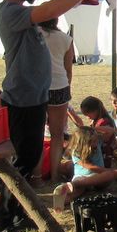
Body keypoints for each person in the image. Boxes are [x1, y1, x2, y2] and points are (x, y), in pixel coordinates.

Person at [0, 0, 110, 232]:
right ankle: (3, 227)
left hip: (34, 99)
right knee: (20, 164)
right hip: (21, 101)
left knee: (28, 158)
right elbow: (49, 10)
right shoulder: (9, 12)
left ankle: (17, 215)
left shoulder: (21, 14)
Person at [36, 17, 73, 184]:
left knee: (37, 134)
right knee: (57, 135)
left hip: (38, 86)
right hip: (60, 86)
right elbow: (68, 69)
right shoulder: (66, 39)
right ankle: (55, 175)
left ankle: (36, 175)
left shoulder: (35, 34)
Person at [52, 126, 117, 211]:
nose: (97, 141)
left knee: (109, 175)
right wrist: (108, 170)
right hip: (82, 177)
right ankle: (60, 201)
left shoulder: (98, 143)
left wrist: (93, 129)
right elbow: (91, 167)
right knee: (76, 193)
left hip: (95, 178)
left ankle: (73, 185)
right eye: (94, 141)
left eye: (96, 139)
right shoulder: (76, 151)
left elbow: (111, 131)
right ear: (85, 143)